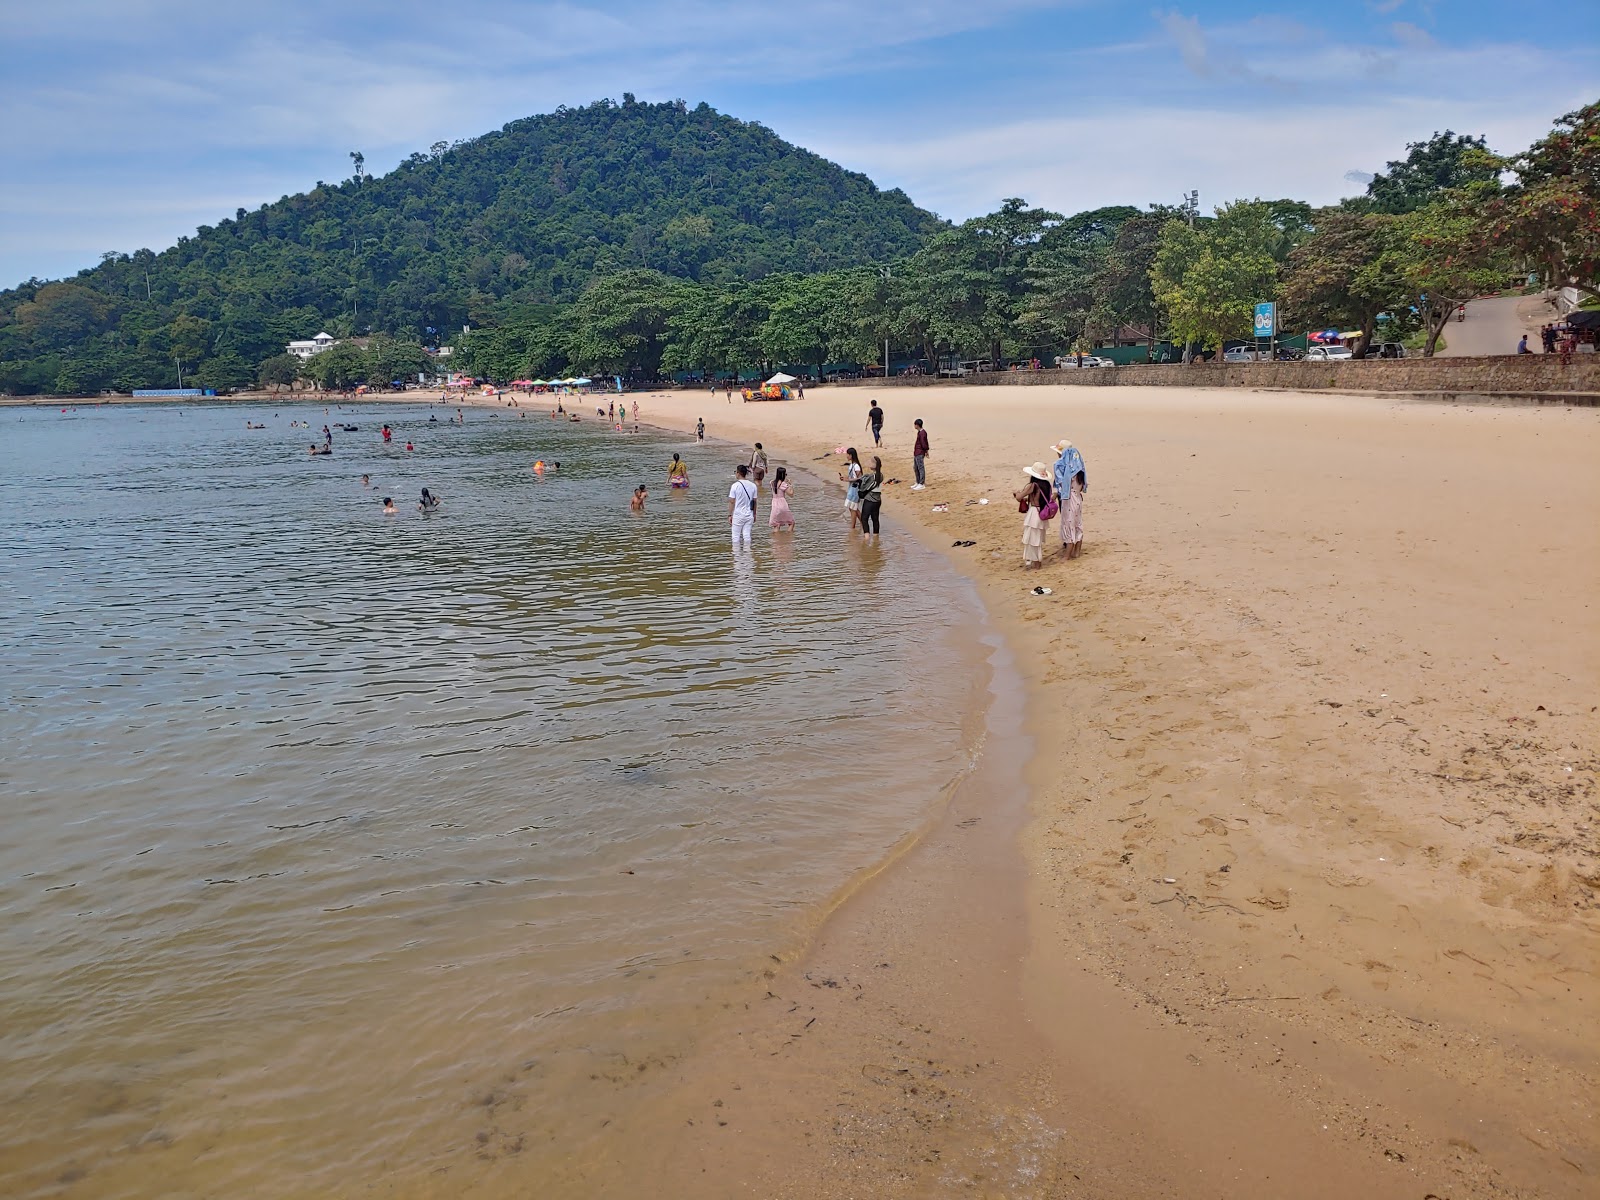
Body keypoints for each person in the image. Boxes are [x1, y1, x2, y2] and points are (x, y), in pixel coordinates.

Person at [1050, 439, 1087, 560]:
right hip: (1077, 498)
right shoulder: (1079, 469)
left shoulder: (1065, 469)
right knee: (1078, 523)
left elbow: (1061, 484)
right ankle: (1077, 551)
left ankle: (1067, 554)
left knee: (1069, 523)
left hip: (1069, 499)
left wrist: (1055, 495)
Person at [1016, 462, 1053, 568]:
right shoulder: (1046, 485)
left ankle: (1037, 563)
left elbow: (1019, 497)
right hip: (1041, 512)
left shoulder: (1033, 485)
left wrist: (1016, 493)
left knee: (1032, 539)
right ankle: (1037, 562)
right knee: (1037, 539)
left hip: (1034, 513)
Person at [728, 464, 757, 549]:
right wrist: (754, 514)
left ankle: (737, 557)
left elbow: (732, 501)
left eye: (735, 472)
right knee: (747, 535)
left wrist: (730, 515)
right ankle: (747, 555)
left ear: (738, 473)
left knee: (735, 537)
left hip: (738, 514)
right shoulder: (753, 485)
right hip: (749, 514)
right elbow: (755, 501)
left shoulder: (735, 486)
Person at [856, 455, 883, 536]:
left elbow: (864, 488)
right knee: (875, 519)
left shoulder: (872, 476)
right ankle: (876, 537)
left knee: (864, 518)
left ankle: (866, 538)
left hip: (870, 500)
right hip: (878, 500)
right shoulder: (880, 475)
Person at [839, 447, 863, 531]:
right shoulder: (852, 465)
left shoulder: (856, 466)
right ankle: (862, 523)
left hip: (855, 489)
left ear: (851, 455)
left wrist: (848, 479)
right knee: (852, 507)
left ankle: (852, 527)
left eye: (847, 454)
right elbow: (852, 477)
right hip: (851, 488)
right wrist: (845, 478)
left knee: (853, 508)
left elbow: (859, 478)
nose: (846, 456)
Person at [769, 466, 794, 531]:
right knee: (791, 523)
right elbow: (791, 494)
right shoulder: (783, 484)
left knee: (776, 525)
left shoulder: (772, 482)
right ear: (783, 475)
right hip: (782, 504)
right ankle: (788, 538)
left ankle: (777, 540)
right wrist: (790, 485)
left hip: (774, 504)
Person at [911, 418, 929, 489]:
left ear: (917, 425)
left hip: (920, 452)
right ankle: (918, 481)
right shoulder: (919, 432)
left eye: (915, 425)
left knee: (920, 468)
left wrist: (926, 450)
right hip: (917, 452)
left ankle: (921, 483)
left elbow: (924, 443)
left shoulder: (922, 433)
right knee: (915, 467)